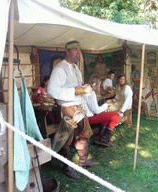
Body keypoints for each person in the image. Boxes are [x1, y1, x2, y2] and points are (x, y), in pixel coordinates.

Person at [48, 40, 99, 179]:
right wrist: (74, 91)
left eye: (79, 50)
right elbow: (51, 90)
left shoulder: (75, 68)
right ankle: (67, 167)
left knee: (87, 131)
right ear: (67, 51)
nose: (78, 53)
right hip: (68, 108)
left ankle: (82, 161)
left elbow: (77, 88)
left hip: (79, 107)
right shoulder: (60, 69)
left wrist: (85, 87)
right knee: (67, 138)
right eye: (75, 50)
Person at [84, 75, 120, 147]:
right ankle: (104, 138)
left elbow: (94, 109)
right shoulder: (91, 93)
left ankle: (98, 138)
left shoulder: (86, 90)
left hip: (88, 115)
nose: (100, 87)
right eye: (99, 85)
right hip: (89, 117)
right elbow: (96, 111)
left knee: (106, 116)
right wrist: (106, 105)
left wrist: (104, 107)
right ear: (96, 84)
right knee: (116, 116)